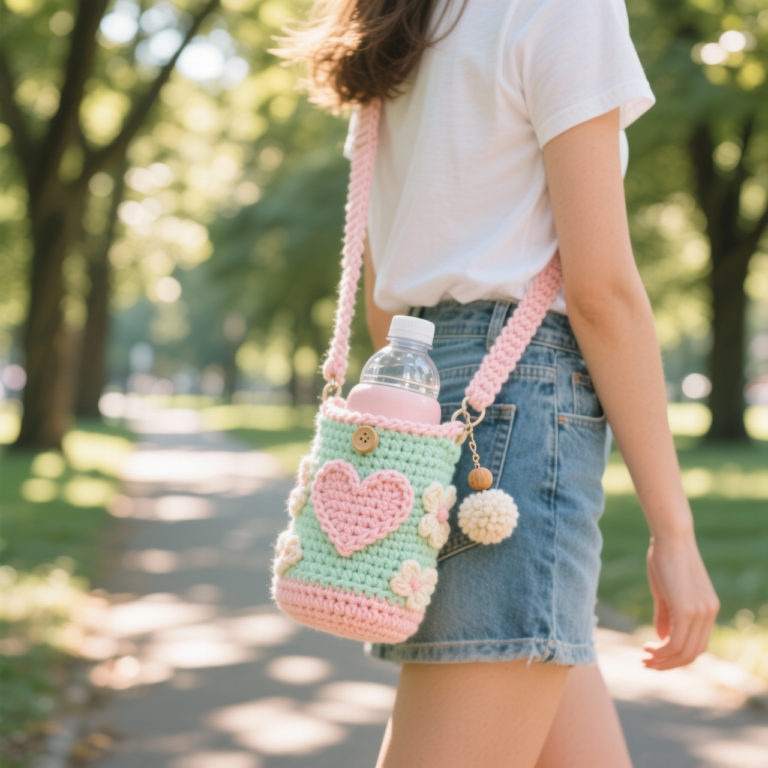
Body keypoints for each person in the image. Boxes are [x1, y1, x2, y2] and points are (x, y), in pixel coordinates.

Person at [281, 0, 720, 766]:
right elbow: (601, 293)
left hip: (427, 389)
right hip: (515, 417)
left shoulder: (399, 21)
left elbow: (386, 296)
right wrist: (673, 535)